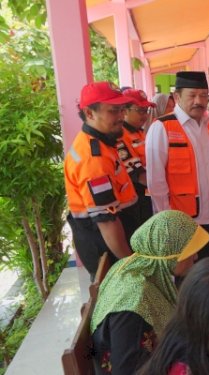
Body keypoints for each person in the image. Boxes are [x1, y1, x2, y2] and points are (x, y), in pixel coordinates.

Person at [91, 210, 208, 375]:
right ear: (167, 254)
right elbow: (126, 369)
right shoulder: (135, 303)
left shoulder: (134, 265)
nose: (195, 256)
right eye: (189, 251)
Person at [146, 71, 209, 259]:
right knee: (186, 280)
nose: (199, 101)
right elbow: (156, 184)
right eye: (192, 95)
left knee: (208, 274)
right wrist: (169, 225)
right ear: (177, 96)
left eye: (203, 95)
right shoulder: (162, 128)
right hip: (182, 224)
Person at [64, 81, 138, 278]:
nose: (122, 116)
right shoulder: (93, 159)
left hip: (108, 243)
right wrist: (132, 265)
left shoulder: (103, 142)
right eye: (113, 111)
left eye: (122, 110)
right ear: (89, 113)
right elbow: (107, 222)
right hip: (106, 250)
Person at [120, 88, 155, 226]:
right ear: (125, 110)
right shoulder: (121, 136)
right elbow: (139, 176)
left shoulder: (140, 133)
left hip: (147, 196)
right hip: (135, 200)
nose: (144, 115)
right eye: (140, 110)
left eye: (146, 110)